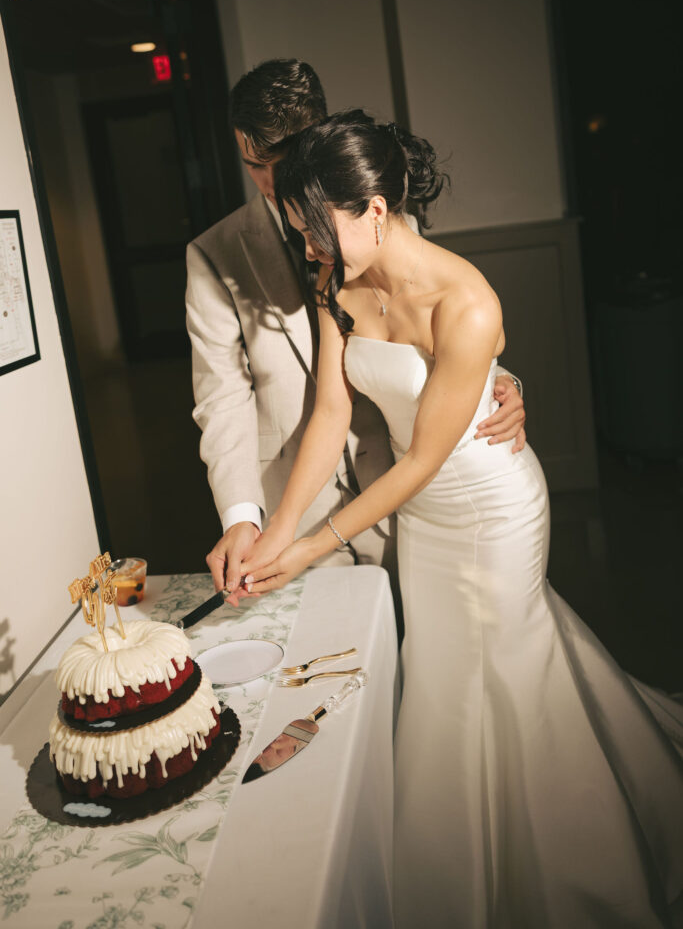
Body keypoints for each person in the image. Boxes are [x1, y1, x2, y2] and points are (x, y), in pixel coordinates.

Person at [239, 111, 683, 927]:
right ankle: (460, 867)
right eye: (298, 230)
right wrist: (277, 529)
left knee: (509, 676)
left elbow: (419, 461)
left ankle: (566, 869)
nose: (307, 247)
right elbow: (330, 411)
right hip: (423, 517)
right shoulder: (335, 280)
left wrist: (308, 548)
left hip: (489, 507)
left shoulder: (467, 301)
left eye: (314, 228)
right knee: (445, 679)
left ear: (374, 209)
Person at [186, 59, 526, 627]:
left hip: (411, 486)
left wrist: (499, 380)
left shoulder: (372, 208)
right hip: (298, 496)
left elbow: (449, 322)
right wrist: (260, 520)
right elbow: (226, 397)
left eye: (284, 161)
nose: (271, 181)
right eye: (254, 165)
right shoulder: (217, 254)